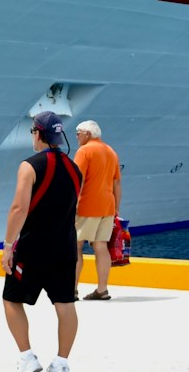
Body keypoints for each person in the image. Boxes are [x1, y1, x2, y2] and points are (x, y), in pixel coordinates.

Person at [2, 112, 82, 372]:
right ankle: (61, 362)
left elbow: (18, 209)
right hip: (65, 248)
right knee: (65, 304)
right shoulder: (75, 169)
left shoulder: (29, 165)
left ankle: (27, 358)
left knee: (11, 299)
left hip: (33, 249)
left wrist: (7, 246)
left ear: (38, 133)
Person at [71, 121, 122, 300]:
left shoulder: (85, 151)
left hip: (86, 206)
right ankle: (102, 289)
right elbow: (117, 182)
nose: (76, 136)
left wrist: (71, 204)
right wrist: (116, 207)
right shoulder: (111, 151)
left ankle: (72, 289)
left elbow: (78, 179)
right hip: (107, 206)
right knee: (101, 246)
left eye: (78, 133)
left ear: (87, 133)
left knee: (75, 246)